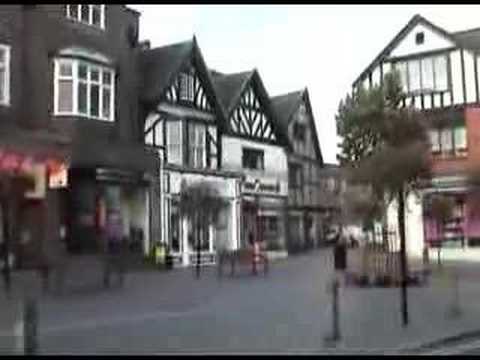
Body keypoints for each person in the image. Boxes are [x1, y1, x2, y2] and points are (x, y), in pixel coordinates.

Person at [103, 213, 125, 289]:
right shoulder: (119, 220)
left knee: (109, 261)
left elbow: (106, 232)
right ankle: (120, 277)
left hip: (111, 242)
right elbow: (121, 232)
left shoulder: (109, 221)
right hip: (117, 243)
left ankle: (107, 278)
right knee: (118, 261)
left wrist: (105, 243)